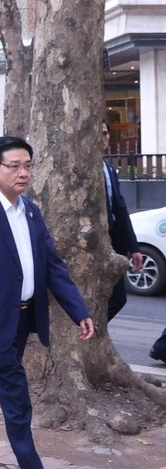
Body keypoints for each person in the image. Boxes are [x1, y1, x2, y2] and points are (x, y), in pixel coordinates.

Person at [0, 136, 94, 469]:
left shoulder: (30, 210)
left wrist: (79, 311)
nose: (23, 173)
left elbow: (52, 267)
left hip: (23, 317)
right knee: (17, 399)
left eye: (28, 165)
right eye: (14, 166)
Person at [101, 121, 143, 321]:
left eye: (106, 133)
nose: (104, 137)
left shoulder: (108, 168)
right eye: (99, 133)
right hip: (92, 244)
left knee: (118, 298)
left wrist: (133, 247)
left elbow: (120, 207)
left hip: (114, 243)